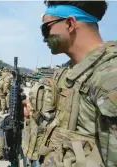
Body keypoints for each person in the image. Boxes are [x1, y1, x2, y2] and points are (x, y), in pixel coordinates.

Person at [23, 1, 117, 166]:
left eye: (46, 28)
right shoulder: (69, 71)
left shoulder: (109, 75)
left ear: (70, 23)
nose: (44, 37)